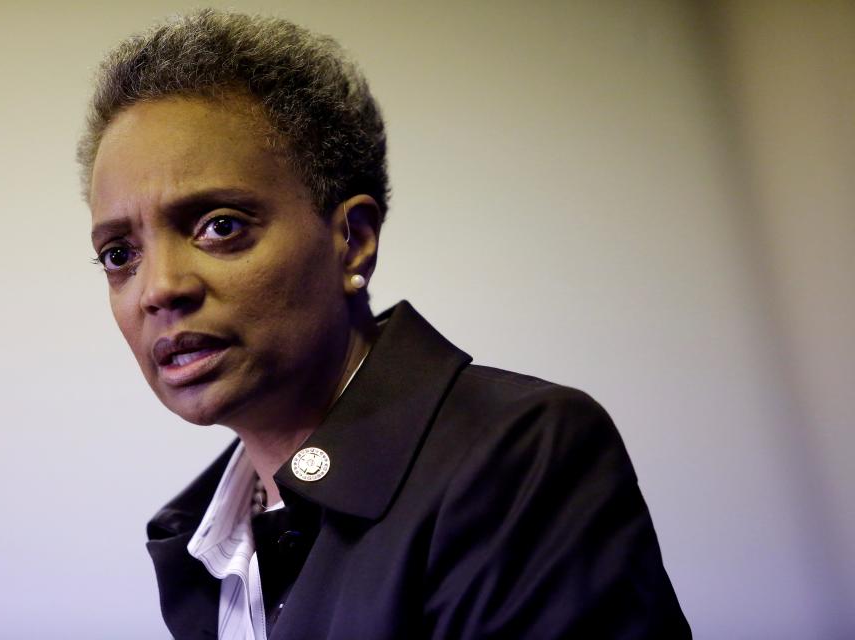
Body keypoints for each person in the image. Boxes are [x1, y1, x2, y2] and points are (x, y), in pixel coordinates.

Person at [77, 9, 690, 639]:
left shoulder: (519, 454)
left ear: (353, 241)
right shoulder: (201, 541)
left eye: (221, 226)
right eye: (120, 255)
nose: (160, 289)